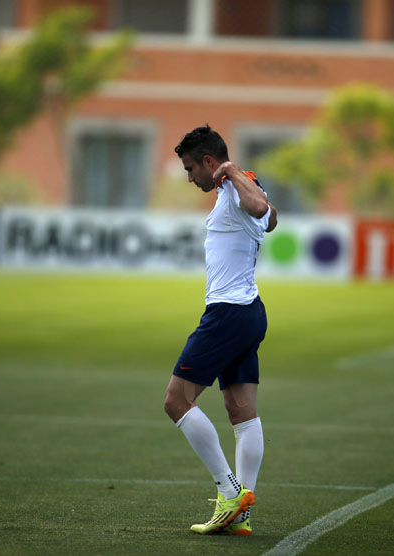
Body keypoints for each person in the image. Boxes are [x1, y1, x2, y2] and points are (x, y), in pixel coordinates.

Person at [163, 125, 277, 536]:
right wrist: (242, 179)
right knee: (241, 411)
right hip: (247, 312)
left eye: (192, 167)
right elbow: (272, 218)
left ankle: (229, 492)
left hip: (229, 314)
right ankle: (241, 513)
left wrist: (232, 170)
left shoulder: (234, 185)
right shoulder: (242, 187)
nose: (190, 176)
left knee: (176, 401)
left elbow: (263, 211)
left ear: (210, 163)